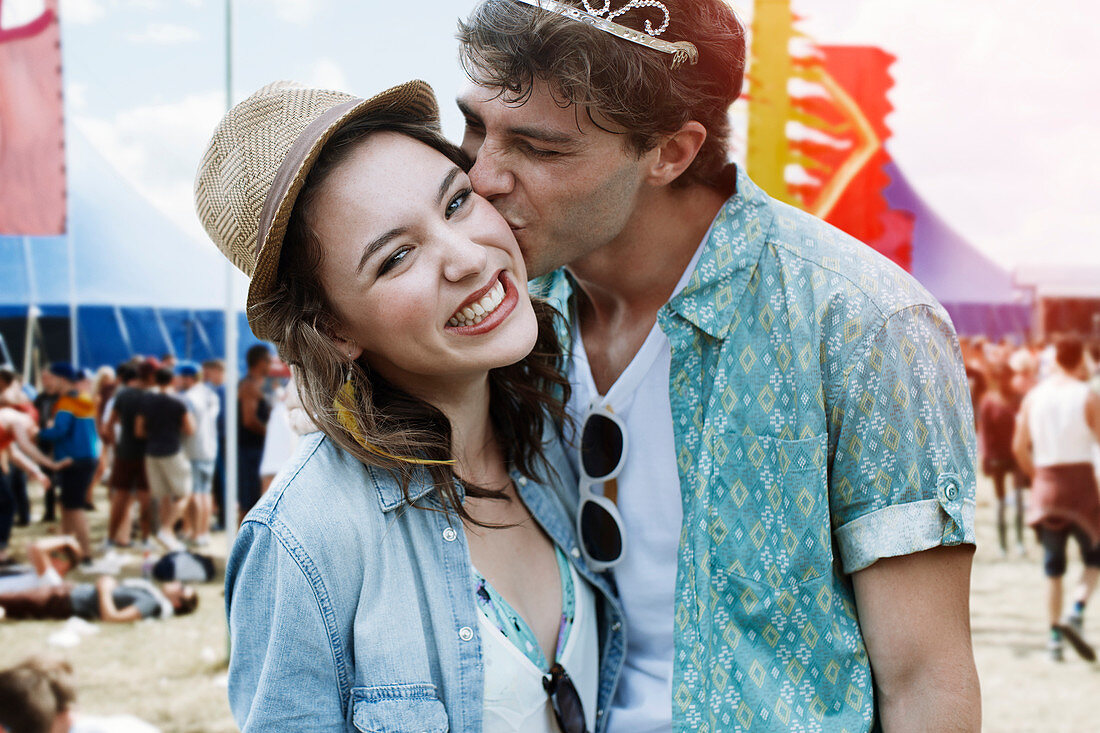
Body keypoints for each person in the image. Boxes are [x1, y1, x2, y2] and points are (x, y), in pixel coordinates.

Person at [456, 2, 981, 730]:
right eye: (476, 127)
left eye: (539, 149)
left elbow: (926, 681)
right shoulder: (498, 316)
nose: (481, 177)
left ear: (670, 152)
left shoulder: (861, 322)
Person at [196, 80, 623, 732]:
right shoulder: (305, 539)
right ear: (335, 329)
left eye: (456, 202)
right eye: (397, 257)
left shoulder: (554, 437)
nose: (466, 258)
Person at [1013, 335, 1100, 662]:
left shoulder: (1034, 397)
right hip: (1081, 486)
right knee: (1094, 557)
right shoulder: (1087, 396)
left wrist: (1037, 478)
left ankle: (1053, 638)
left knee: (1053, 568)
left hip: (1047, 483)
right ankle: (1076, 611)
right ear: (1080, 361)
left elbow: (1019, 447)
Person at [37, 364, 99, 561]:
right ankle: (65, 548)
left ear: (61, 379)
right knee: (66, 504)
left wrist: (37, 433)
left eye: (49, 378)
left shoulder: (65, 402)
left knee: (74, 507)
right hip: (87, 457)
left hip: (74, 459)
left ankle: (86, 554)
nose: (45, 383)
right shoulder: (83, 397)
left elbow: (60, 431)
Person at [0, 409, 70, 565]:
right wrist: (51, 464)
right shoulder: (19, 420)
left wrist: (37, 471)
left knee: (7, 503)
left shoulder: (9, 424)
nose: (33, 439)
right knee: (6, 504)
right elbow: (25, 446)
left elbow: (15, 454)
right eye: (34, 436)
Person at [135, 367, 194, 551]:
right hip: (172, 450)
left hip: (152, 451)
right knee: (184, 494)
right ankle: (166, 530)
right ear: (172, 380)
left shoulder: (146, 401)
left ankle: (165, 535)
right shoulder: (178, 401)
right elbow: (190, 428)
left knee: (163, 496)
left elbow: (139, 430)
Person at [101, 362, 155, 548]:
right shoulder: (150, 397)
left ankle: (110, 538)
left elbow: (108, 426)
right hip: (146, 455)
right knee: (145, 498)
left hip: (124, 452)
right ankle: (145, 539)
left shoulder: (122, 395)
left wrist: (116, 447)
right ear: (150, 377)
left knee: (120, 498)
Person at [0, 574, 197, 623]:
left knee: (7, 599)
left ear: (177, 602)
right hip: (68, 592)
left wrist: (104, 588)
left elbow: (112, 618)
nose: (176, 582)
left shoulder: (152, 603)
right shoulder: (153, 595)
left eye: (180, 587)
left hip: (65, 602)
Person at [979, 363, 1026, 557]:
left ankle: (1020, 541)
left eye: (1007, 376)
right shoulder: (988, 402)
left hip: (1016, 456)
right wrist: (986, 458)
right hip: (997, 457)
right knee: (1000, 503)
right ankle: (1002, 544)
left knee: (1020, 500)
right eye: (1001, 377)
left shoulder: (1018, 399)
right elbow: (985, 432)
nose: (1005, 381)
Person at [177, 361, 219, 545]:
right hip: (209, 448)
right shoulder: (210, 394)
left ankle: (195, 532)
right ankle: (202, 533)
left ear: (188, 378)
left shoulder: (188, 398)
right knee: (205, 493)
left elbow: (189, 428)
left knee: (195, 493)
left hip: (192, 449)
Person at [236, 345, 271, 517]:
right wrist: (271, 435)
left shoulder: (258, 385)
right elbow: (249, 421)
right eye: (268, 360)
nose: (271, 364)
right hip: (250, 451)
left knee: (256, 500)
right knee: (249, 502)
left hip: (256, 451)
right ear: (260, 362)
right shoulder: (248, 386)